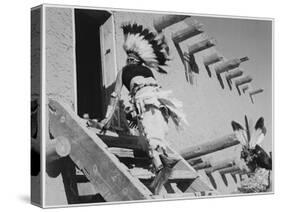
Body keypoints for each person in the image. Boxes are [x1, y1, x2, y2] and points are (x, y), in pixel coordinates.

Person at [99, 23, 188, 194]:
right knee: (155, 135)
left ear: (131, 60)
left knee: (149, 135)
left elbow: (114, 95)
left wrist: (107, 117)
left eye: (129, 59)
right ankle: (161, 165)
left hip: (147, 101)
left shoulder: (124, 71)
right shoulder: (146, 70)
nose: (129, 61)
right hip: (159, 102)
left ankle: (161, 167)